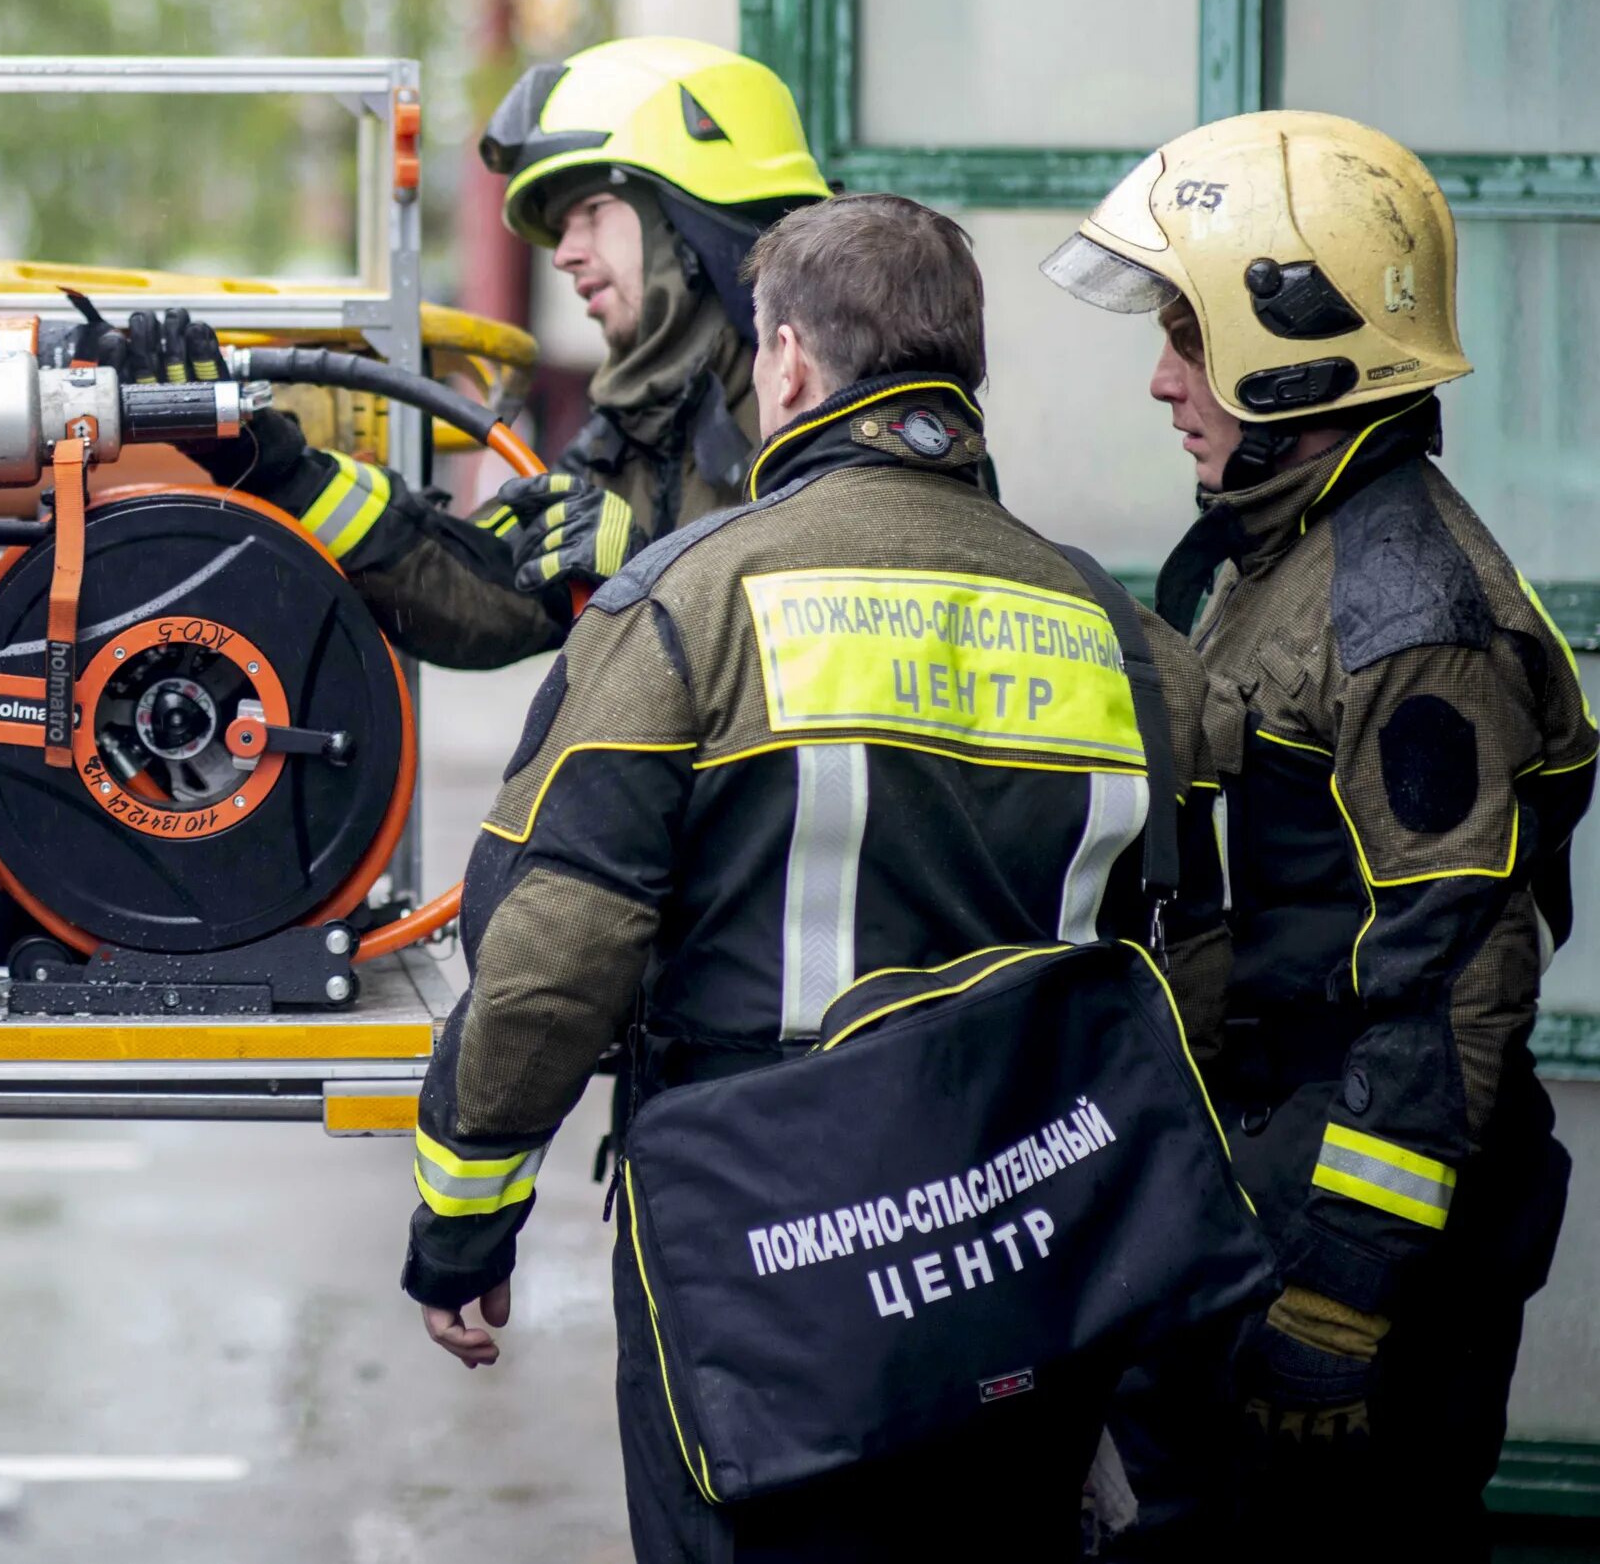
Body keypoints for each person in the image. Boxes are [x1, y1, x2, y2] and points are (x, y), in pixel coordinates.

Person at [401, 194, 1231, 1560]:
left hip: (764, 1254)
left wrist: (463, 1220)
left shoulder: (691, 607)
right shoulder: (1122, 634)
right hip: (1037, 1252)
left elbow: (552, 960)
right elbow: (1188, 967)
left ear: (786, 366)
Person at [1042, 111, 1595, 1558]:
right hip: (1273, 1154)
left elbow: (1456, 979)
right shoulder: (1280, 539)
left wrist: (1342, 1293)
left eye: (1189, 334)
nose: (1162, 379)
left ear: (1302, 343)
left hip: (1365, 1207)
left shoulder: (1407, 616)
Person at [86, 38, 830, 666]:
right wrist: (258, 456)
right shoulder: (634, 431)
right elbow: (479, 586)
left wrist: (640, 577)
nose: (565, 254)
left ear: (692, 223)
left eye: (591, 213)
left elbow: (817, 650)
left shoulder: (832, 408)